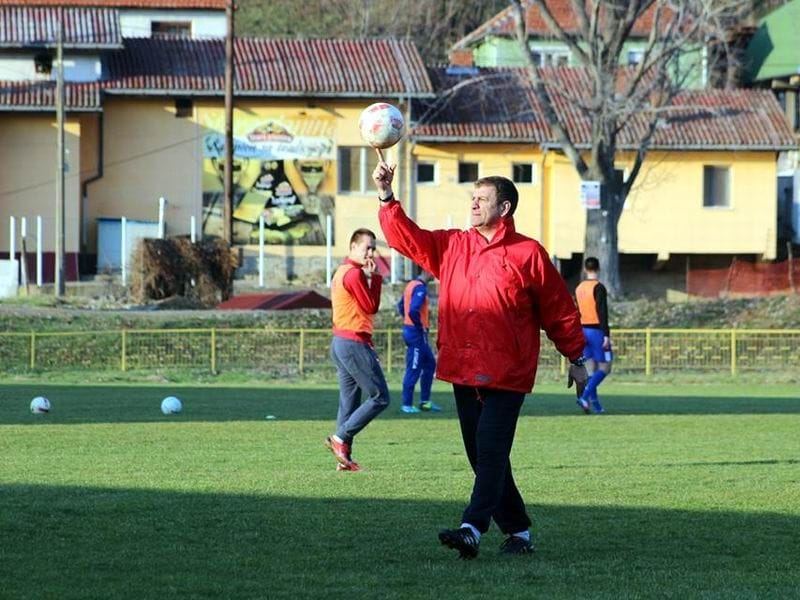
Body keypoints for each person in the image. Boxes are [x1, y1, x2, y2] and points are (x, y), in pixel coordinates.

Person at [373, 159, 588, 559]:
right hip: (462, 368)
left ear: (504, 208)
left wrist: (576, 356)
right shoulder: (454, 245)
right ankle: (519, 532)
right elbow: (407, 239)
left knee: (489, 450)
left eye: (482, 199)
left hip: (508, 371)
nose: (473, 204)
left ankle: (471, 528)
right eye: (472, 197)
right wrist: (387, 197)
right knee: (483, 455)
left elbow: (559, 309)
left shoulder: (528, 253)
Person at [326, 228, 390, 472]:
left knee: (349, 403)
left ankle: (343, 459)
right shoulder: (354, 274)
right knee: (380, 396)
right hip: (353, 343)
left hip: (340, 342)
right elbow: (371, 306)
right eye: (367, 247)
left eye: (373, 248)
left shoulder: (341, 271)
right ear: (353, 246)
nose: (371, 253)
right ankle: (340, 438)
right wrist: (377, 278)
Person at [396, 270, 440, 414]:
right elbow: (413, 310)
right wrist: (418, 325)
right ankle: (407, 404)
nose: (435, 275)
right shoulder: (420, 287)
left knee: (430, 364)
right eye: (433, 272)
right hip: (416, 333)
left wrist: (408, 322)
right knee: (414, 367)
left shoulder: (411, 285)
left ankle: (425, 402)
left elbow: (401, 305)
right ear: (426, 271)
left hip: (413, 331)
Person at [575, 256, 612, 415]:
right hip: (596, 331)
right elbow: (602, 312)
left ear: (585, 269)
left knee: (591, 369)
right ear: (599, 268)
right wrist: (606, 335)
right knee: (606, 366)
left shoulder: (579, 288)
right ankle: (584, 397)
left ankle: (596, 406)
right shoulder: (599, 287)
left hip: (582, 331)